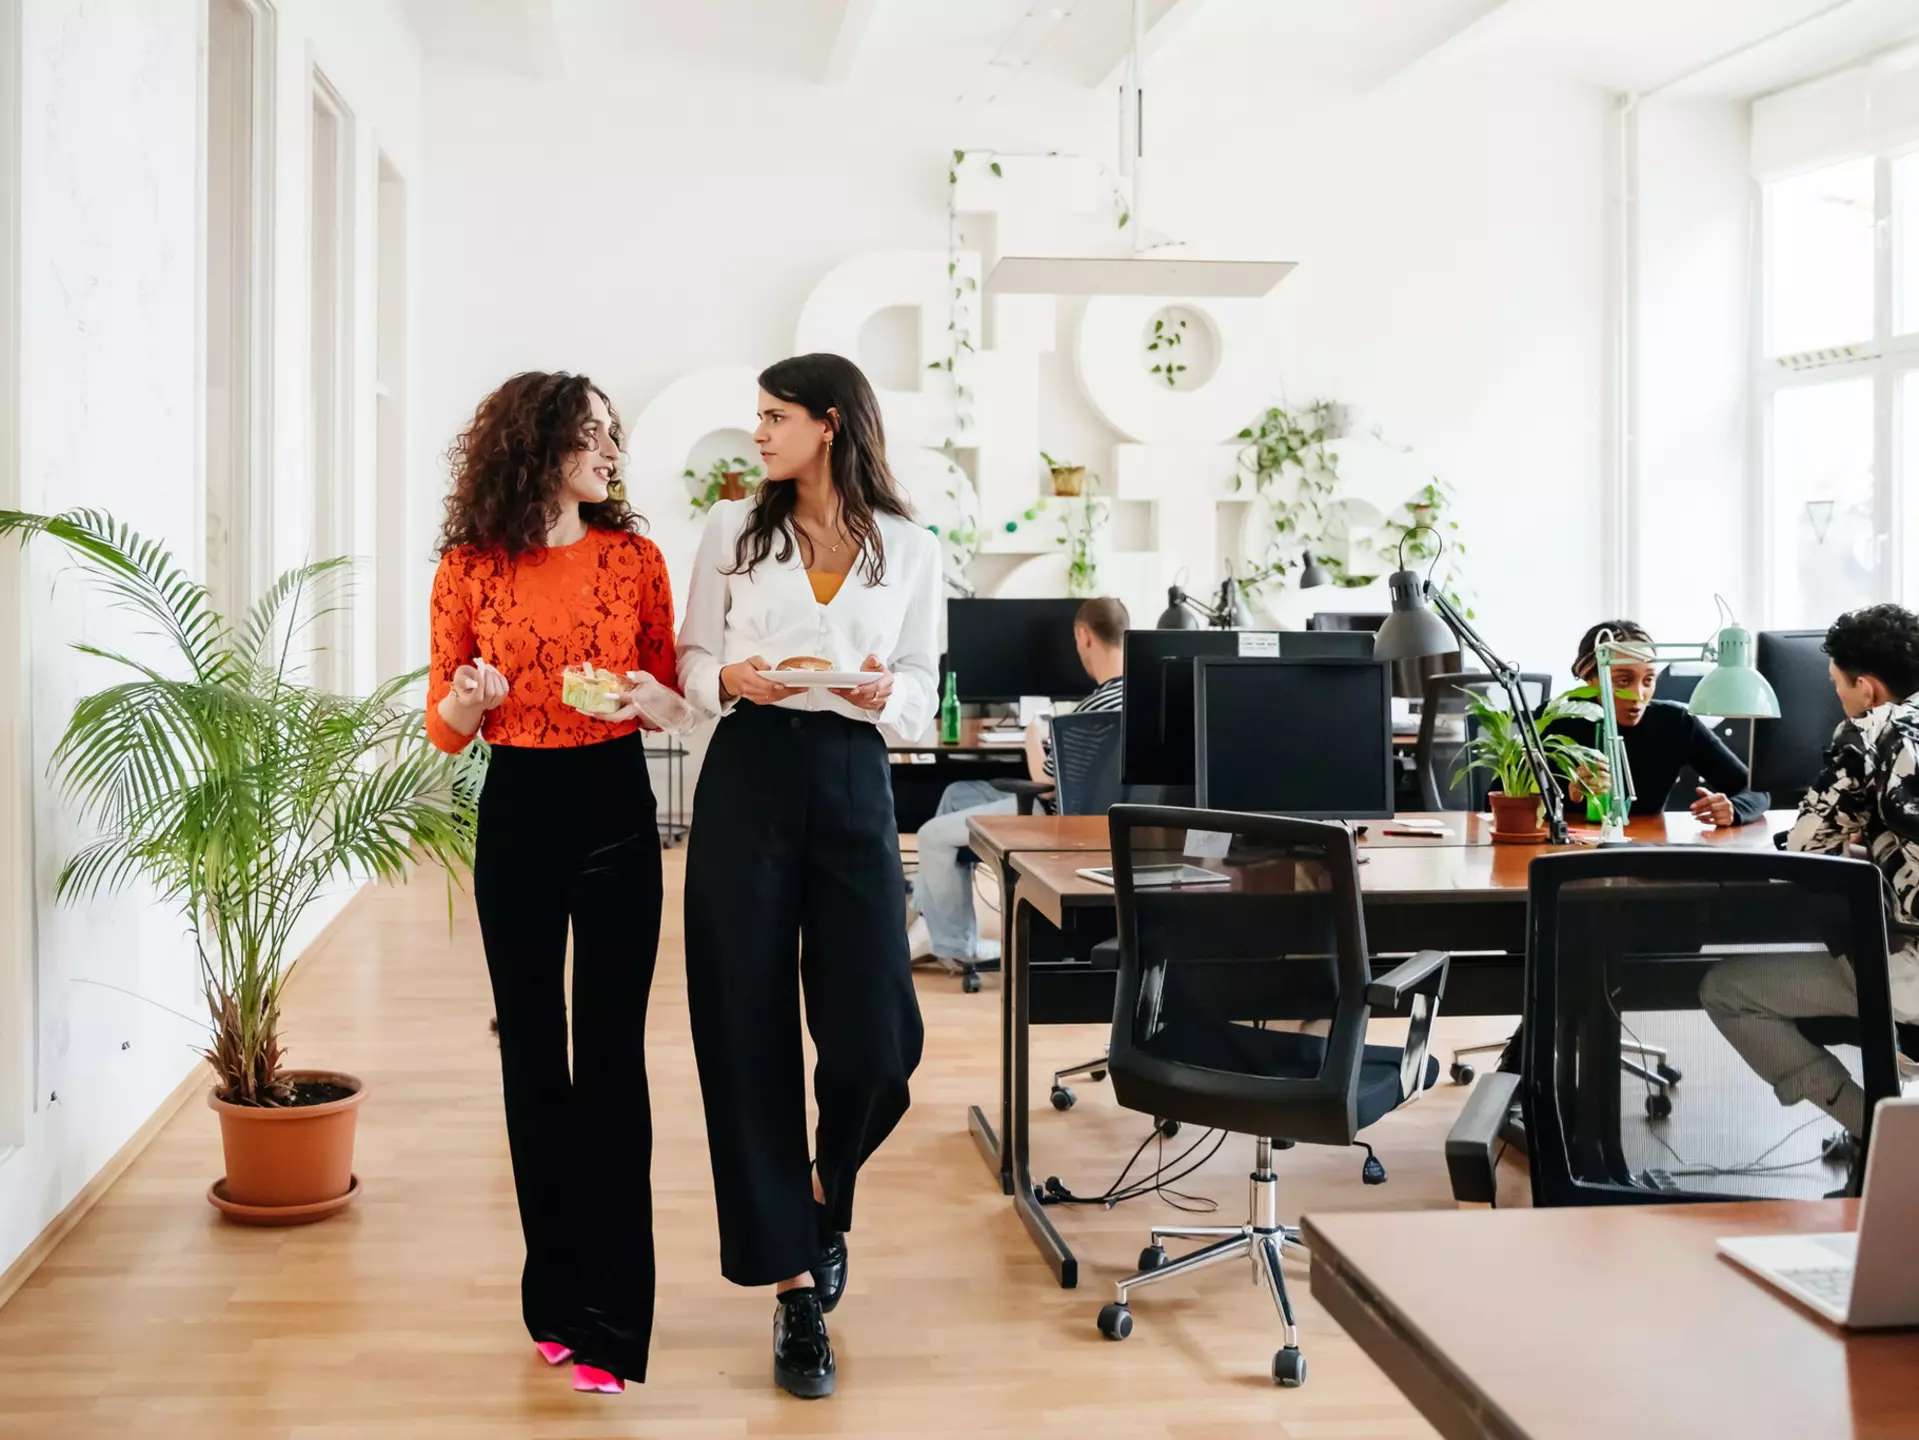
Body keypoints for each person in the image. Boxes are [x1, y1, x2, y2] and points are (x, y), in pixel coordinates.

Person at [677, 353, 938, 1401]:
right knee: (742, 1032)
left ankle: (824, 1193)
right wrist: (726, 678)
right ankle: (794, 1291)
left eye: (774, 418)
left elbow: (922, 677)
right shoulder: (731, 535)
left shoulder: (909, 547)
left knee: (879, 1040)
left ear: (829, 425)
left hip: (850, 770)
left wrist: (886, 698)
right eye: (756, 417)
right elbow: (692, 662)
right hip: (748, 772)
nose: (759, 435)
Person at [425, 372, 676, 1397]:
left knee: (611, 1061)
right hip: (519, 811)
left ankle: (617, 1322)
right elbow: (443, 731)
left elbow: (666, 703)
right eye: (591, 436)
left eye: (612, 436)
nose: (610, 452)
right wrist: (469, 696)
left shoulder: (635, 560)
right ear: (535, 448)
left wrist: (646, 695)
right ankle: (554, 1297)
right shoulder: (467, 567)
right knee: (533, 1057)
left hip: (616, 807)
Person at [1700, 603, 1919, 1137]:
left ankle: (1875, 1131)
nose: (1836, 700)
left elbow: (1805, 847)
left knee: (1726, 990)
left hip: (1914, 970)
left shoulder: (1869, 732)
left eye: (1838, 687)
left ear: (1867, 689)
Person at [908, 596, 1128, 967]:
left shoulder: (1092, 709)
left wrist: (1032, 734)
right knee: (956, 794)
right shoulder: (1133, 698)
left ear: (1084, 636)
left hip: (1057, 818)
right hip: (1106, 819)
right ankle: (938, 922)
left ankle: (957, 948)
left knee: (931, 835)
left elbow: (1046, 781)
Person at [1545, 619, 1768, 827]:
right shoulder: (1555, 722)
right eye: (1623, 680)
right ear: (1590, 677)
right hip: (1569, 855)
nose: (1638, 694)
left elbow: (1756, 791)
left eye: (1648, 679)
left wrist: (1734, 809)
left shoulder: (1675, 722)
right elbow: (1517, 801)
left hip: (1648, 851)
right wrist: (1567, 793)